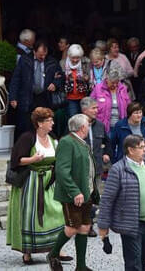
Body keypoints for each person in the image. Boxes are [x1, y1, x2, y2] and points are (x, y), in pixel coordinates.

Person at [6, 107, 72, 265]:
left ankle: (56, 249)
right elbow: (16, 160)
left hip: (50, 182)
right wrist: (33, 159)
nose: (52, 123)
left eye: (52, 120)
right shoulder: (28, 138)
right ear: (40, 123)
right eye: (49, 120)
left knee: (57, 213)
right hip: (32, 181)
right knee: (31, 216)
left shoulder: (53, 138)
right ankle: (27, 252)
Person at [98, 134, 145, 271]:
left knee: (144, 260)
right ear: (130, 150)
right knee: (133, 263)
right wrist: (103, 225)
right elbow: (107, 199)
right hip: (131, 223)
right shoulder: (118, 169)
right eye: (141, 147)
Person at [47, 114, 98, 271]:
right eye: (88, 125)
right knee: (72, 228)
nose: (89, 127)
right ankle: (53, 254)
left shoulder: (82, 143)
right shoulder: (67, 142)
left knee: (84, 227)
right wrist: (75, 191)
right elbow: (62, 171)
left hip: (86, 192)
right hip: (73, 195)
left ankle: (81, 266)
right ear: (82, 127)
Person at [9, 40, 62, 140]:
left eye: (44, 55)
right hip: (27, 96)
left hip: (45, 97)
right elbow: (16, 78)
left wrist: (55, 83)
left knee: (45, 122)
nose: (43, 57)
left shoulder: (52, 61)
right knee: (26, 124)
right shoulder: (24, 60)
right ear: (34, 51)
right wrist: (13, 97)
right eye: (40, 55)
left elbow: (60, 76)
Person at [81, 97, 112, 237]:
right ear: (84, 110)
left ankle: (90, 224)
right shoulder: (75, 124)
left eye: (96, 108)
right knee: (83, 197)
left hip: (97, 168)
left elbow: (108, 142)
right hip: (82, 169)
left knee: (95, 198)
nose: (96, 110)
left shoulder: (99, 125)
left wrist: (106, 153)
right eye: (93, 108)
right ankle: (79, 223)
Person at [111, 102, 145, 166]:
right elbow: (112, 144)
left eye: (140, 112)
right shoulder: (120, 125)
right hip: (125, 162)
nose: (139, 115)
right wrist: (114, 161)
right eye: (136, 113)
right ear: (129, 114)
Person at [90, 68, 131, 134]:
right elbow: (90, 105)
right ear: (107, 80)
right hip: (103, 126)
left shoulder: (123, 88)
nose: (115, 85)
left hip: (121, 125)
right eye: (112, 83)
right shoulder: (98, 88)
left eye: (117, 83)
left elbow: (129, 105)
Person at [63, 44, 91, 118]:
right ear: (69, 56)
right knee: (73, 118)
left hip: (83, 96)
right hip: (70, 98)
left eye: (78, 58)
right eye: (73, 58)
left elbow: (91, 77)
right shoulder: (64, 64)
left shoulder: (85, 64)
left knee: (84, 118)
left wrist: (88, 78)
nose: (75, 60)